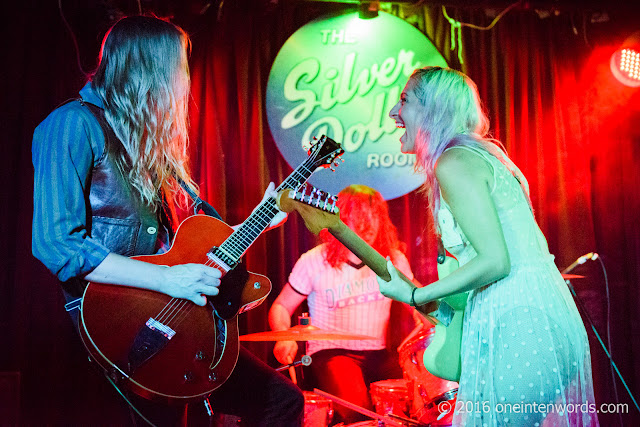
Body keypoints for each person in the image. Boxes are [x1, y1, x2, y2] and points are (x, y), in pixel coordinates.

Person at [32, 15, 303, 426]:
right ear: (147, 70)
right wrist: (167, 281)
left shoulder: (140, 142)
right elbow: (58, 245)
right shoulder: (72, 124)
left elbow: (174, 251)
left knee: (282, 402)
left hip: (166, 314)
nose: (183, 82)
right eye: (177, 68)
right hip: (112, 328)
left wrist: (259, 222)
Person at [378, 66, 598, 426]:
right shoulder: (479, 157)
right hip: (536, 317)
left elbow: (496, 262)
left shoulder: (454, 161)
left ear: (433, 110)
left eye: (404, 101)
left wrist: (418, 296)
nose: (392, 112)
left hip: (521, 322)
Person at [269, 184, 416, 424]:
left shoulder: (393, 260)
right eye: (358, 217)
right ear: (341, 218)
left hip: (378, 353)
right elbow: (281, 306)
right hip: (332, 352)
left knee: (409, 406)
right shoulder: (314, 261)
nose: (366, 225)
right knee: (360, 415)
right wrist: (283, 336)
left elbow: (417, 304)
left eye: (372, 217)